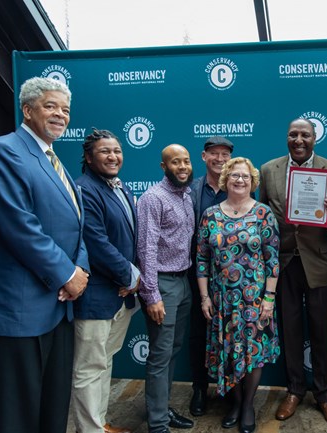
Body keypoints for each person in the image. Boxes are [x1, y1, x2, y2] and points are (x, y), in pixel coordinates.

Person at [0, 76, 89, 433]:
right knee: (18, 417)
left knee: (52, 413)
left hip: (59, 310)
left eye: (66, 110)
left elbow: (76, 227)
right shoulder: (5, 151)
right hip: (19, 312)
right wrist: (67, 275)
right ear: (27, 110)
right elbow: (19, 227)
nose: (60, 115)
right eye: (50, 106)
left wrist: (80, 270)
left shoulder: (56, 161)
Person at [260, 118, 327, 428]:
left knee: (322, 331)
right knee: (290, 330)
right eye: (293, 134)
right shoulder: (269, 170)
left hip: (319, 262)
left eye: (305, 135)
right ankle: (294, 390)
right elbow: (259, 213)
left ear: (315, 138)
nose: (299, 140)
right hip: (283, 263)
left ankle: (325, 395)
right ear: (287, 137)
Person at [197, 157, 280, 433]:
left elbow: (272, 261)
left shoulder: (263, 213)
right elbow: (201, 260)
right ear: (225, 180)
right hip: (222, 301)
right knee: (228, 352)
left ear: (253, 181)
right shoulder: (210, 215)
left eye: (245, 176)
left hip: (254, 299)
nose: (240, 180)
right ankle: (234, 402)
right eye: (235, 176)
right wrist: (205, 297)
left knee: (252, 354)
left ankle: (247, 406)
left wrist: (268, 298)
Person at [72, 128, 140, 433]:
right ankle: (89, 430)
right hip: (97, 297)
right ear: (88, 157)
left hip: (120, 295)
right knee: (88, 368)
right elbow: (96, 244)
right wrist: (131, 275)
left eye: (117, 151)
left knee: (105, 362)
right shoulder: (85, 189)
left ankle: (98, 423)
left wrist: (131, 279)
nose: (113, 157)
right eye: (105, 152)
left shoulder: (117, 188)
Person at [137, 144, 195, 433]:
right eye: (175, 162)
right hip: (162, 283)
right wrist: (151, 294)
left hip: (183, 282)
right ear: (163, 166)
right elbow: (145, 249)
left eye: (186, 161)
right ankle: (158, 425)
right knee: (160, 355)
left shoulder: (187, 195)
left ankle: (162, 408)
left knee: (172, 351)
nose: (183, 166)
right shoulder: (152, 198)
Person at [187, 136, 234, 416]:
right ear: (203, 157)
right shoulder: (190, 190)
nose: (219, 158)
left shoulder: (240, 187)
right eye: (214, 153)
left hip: (233, 281)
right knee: (198, 335)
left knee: (231, 337)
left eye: (225, 153)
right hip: (199, 277)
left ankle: (229, 390)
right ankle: (200, 389)